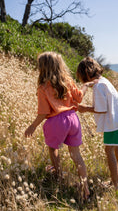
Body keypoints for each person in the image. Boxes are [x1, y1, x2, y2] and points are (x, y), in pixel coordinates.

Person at [24, 51, 92, 199]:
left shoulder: (43, 87)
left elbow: (43, 112)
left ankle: (58, 174)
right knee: (76, 155)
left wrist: (33, 126)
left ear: (43, 68)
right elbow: (79, 97)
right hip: (73, 119)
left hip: (56, 122)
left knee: (53, 149)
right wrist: (85, 85)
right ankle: (85, 187)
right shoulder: (67, 80)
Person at [76, 57, 118, 190]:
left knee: (109, 150)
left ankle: (115, 184)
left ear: (87, 74)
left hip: (113, 123)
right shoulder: (104, 81)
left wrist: (84, 109)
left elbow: (101, 109)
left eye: (83, 78)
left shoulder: (99, 86)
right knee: (116, 147)